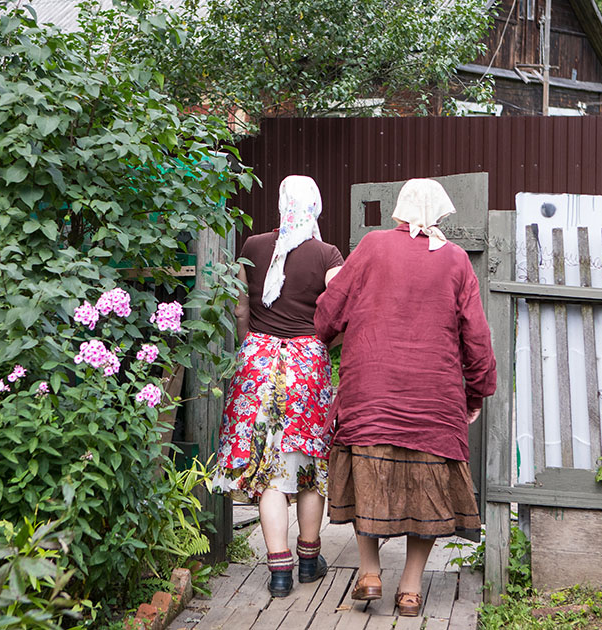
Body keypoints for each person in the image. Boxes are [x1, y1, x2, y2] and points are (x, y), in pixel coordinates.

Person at [314, 178, 496, 617]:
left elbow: (327, 316)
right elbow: (477, 336)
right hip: (434, 398)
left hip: (369, 391)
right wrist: (477, 391)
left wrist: (328, 300)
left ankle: (370, 574)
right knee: (429, 489)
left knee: (367, 476)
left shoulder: (373, 246)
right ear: (439, 213)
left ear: (399, 210)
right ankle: (411, 589)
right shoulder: (454, 260)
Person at [211, 175, 344, 598]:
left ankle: (279, 571)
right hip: (306, 365)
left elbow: (240, 306)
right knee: (306, 466)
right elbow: (345, 307)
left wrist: (254, 339)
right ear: (316, 206)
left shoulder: (252, 246)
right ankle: (309, 558)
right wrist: (326, 342)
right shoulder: (328, 254)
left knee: (267, 471)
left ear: (282, 204)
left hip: (257, 363)